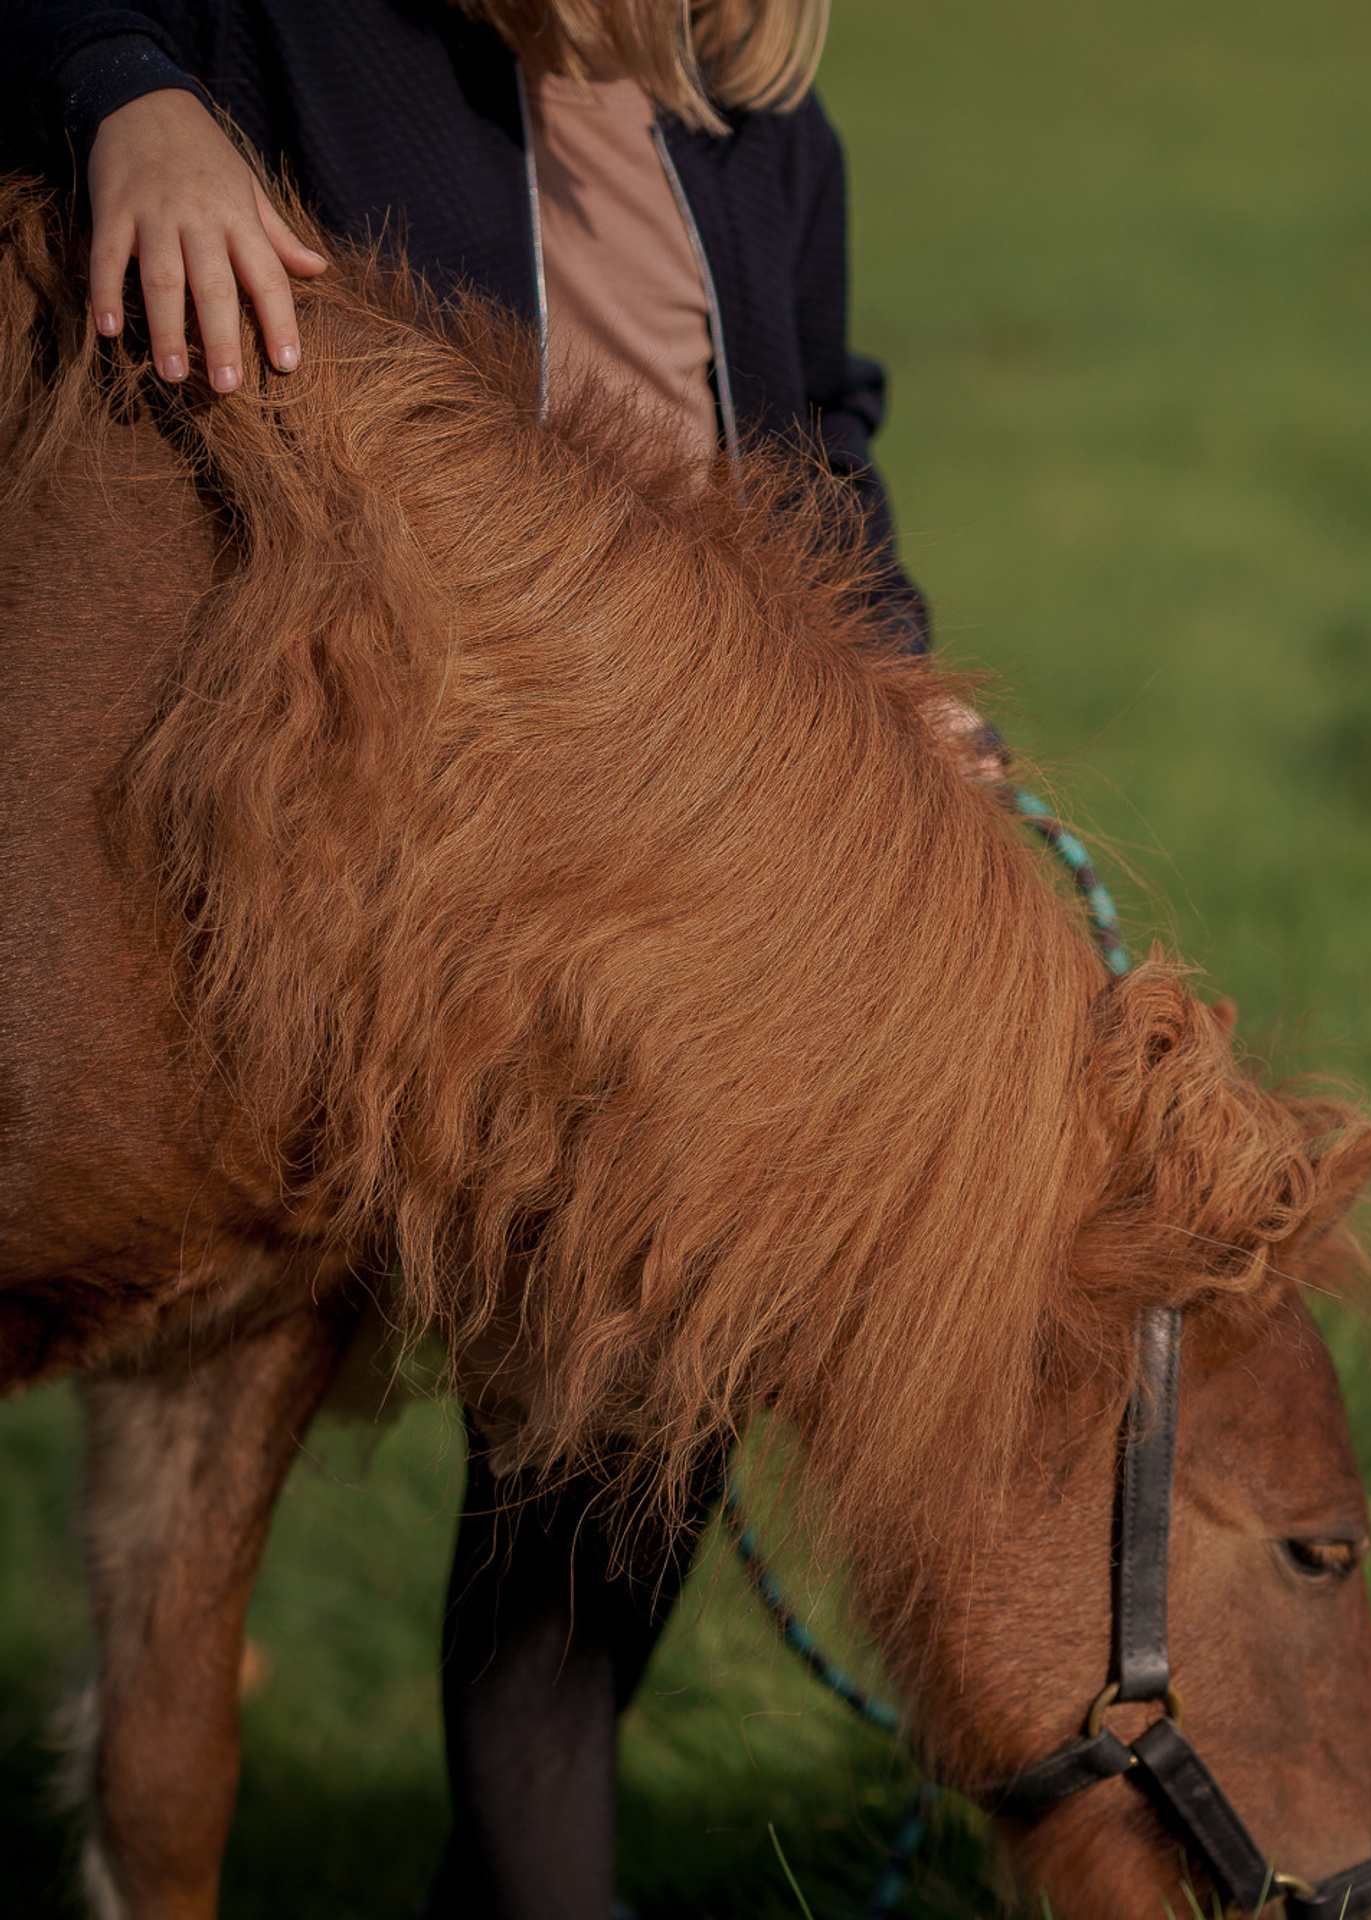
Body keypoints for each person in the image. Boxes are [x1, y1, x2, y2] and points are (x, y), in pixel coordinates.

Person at [4, 6, 992, 1914]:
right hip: (387, 826)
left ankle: (541, 1877)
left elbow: (818, 440)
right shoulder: (306, 29)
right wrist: (131, 102)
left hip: (650, 854)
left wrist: (888, 686)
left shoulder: (758, 134)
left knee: (665, 1322)